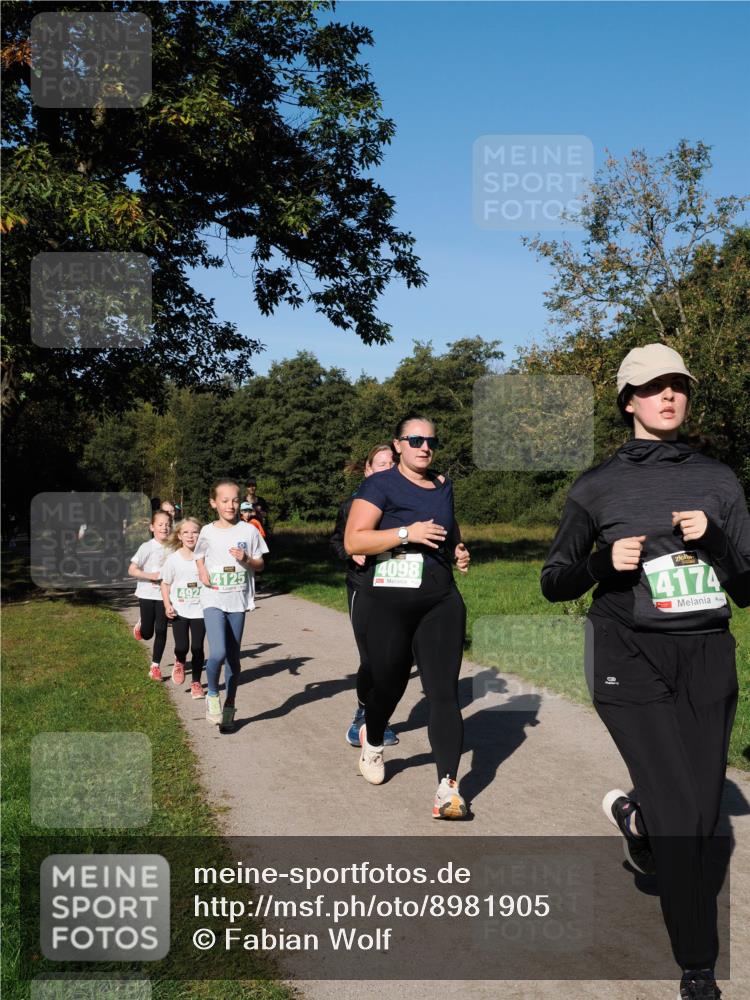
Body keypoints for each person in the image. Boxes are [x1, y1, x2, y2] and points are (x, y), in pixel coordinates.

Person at [540, 343, 750, 1000]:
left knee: (698, 807)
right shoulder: (595, 487)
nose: (669, 396)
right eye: (654, 386)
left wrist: (714, 540)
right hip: (627, 657)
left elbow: (748, 585)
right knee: (687, 820)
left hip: (707, 654)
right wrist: (603, 564)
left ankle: (639, 821)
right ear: (628, 399)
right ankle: (698, 968)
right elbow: (554, 581)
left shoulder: (720, 481)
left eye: (679, 385)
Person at [344, 414, 471, 818]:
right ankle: (374, 739)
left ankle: (448, 788)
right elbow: (354, 540)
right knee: (390, 683)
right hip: (387, 602)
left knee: (443, 692)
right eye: (414, 439)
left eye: (431, 440)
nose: (424, 447)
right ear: (398, 444)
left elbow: (450, 530)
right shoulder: (378, 485)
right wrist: (406, 534)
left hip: (439, 600)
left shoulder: (443, 486)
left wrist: (458, 549)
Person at [330, 444, 398, 748]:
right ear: (368, 470)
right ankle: (362, 713)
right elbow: (337, 540)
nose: (386, 468)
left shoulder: (404, 504)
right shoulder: (353, 504)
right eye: (380, 464)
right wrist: (350, 552)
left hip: (397, 587)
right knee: (371, 659)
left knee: (393, 659)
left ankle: (378, 718)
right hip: (363, 586)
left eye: (391, 463)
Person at [195, 479, 269, 732]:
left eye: (235, 500)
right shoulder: (207, 531)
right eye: (224, 501)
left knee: (234, 658)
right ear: (214, 503)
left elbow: (260, 564)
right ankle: (213, 694)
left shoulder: (248, 531)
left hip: (238, 600)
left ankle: (230, 704)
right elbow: (199, 556)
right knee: (217, 653)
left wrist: (247, 558)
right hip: (213, 598)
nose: (231, 505)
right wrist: (202, 571)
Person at [160, 517, 206, 698]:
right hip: (179, 610)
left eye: (194, 532)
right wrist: (167, 605)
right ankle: (179, 660)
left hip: (200, 610)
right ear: (179, 535)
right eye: (185, 532)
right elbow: (165, 584)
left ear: (200, 535)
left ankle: (196, 683)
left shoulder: (205, 557)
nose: (190, 536)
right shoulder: (173, 560)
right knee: (182, 646)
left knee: (197, 647)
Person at [128, 508, 172, 680]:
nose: (164, 528)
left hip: (164, 596)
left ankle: (155, 667)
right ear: (152, 527)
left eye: (168, 525)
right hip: (146, 594)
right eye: (160, 524)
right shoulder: (146, 547)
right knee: (147, 634)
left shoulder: (174, 548)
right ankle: (142, 624)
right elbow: (132, 570)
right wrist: (150, 576)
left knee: (161, 630)